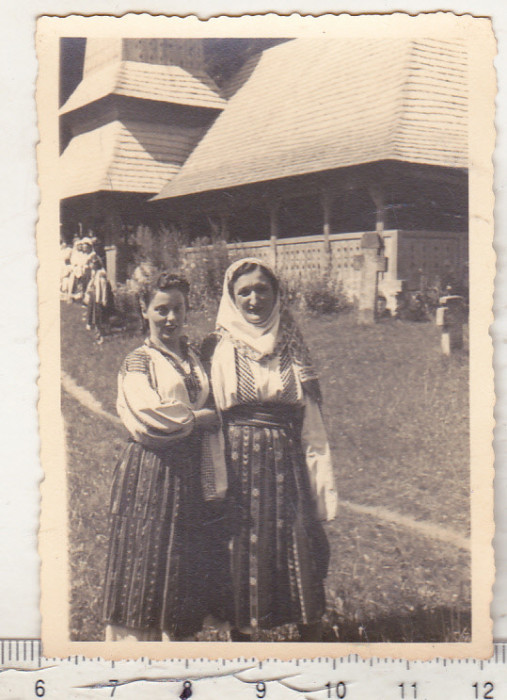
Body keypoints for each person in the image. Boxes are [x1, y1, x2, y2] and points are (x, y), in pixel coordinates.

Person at [210, 258, 338, 641]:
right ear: (231, 298)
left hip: (286, 463)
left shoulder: (293, 347)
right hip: (235, 462)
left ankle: (310, 634)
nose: (254, 298)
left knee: (298, 539)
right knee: (240, 546)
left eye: (262, 289)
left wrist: (321, 481)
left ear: (276, 293)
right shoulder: (217, 348)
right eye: (244, 291)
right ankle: (242, 637)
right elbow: (212, 417)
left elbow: (311, 420)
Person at [103, 271, 228, 641]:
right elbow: (149, 419)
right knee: (148, 556)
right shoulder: (138, 361)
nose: (171, 318)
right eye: (161, 309)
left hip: (191, 471)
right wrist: (198, 419)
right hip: (151, 471)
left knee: (183, 561)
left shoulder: (192, 357)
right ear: (144, 310)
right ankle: (136, 653)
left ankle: (179, 647)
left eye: (178, 309)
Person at [84, 259, 113, 344]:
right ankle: (98, 336)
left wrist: (104, 300)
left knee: (100, 318)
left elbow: (103, 289)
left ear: (96, 265)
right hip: (96, 298)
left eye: (92, 264)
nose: (91, 266)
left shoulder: (101, 274)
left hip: (99, 299)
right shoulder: (96, 274)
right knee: (96, 318)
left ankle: (101, 337)